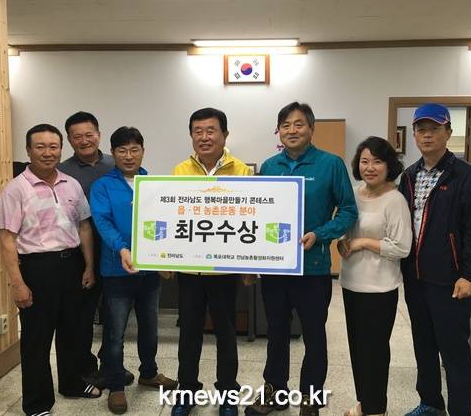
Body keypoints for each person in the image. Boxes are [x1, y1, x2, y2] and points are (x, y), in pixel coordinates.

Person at [246, 102, 358, 416]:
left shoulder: (331, 164)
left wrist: (320, 234)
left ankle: (311, 397)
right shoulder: (269, 167)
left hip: (313, 268)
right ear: (278, 131)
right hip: (275, 268)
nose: (292, 131)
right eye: (285, 125)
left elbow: (348, 210)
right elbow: (259, 214)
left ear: (311, 128)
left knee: (314, 336)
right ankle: (274, 392)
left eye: (298, 124)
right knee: (276, 334)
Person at [0, 124, 101, 416]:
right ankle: (37, 403)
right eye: (40, 146)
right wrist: (18, 283)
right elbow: (7, 240)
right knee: (36, 340)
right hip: (37, 268)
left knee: (72, 332)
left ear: (61, 149)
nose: (47, 152)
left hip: (72, 265)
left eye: (53, 147)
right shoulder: (16, 189)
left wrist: (89, 266)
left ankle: (72, 383)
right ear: (28, 150)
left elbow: (84, 226)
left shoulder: (71, 184)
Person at [398, 103, 471, 416]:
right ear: (414, 134)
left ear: (448, 132)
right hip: (416, 278)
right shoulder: (409, 176)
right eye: (421, 129)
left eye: (434, 129)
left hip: (451, 280)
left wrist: (469, 275)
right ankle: (430, 404)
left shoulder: (467, 176)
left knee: (454, 352)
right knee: (423, 346)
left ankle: (461, 410)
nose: (427, 135)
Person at [165, 107, 253, 416]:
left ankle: (228, 392)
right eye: (198, 131)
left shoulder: (241, 171)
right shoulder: (179, 171)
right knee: (188, 333)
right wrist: (164, 260)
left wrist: (249, 267)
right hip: (190, 271)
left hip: (225, 270)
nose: (204, 137)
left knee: (226, 333)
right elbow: (171, 216)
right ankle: (187, 391)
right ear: (191, 136)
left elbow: (250, 220)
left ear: (224, 135)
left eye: (211, 130)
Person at [90, 126, 177, 414]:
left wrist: (166, 259)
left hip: (149, 271)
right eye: (122, 150)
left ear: (143, 151)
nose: (129, 156)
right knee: (115, 333)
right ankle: (116, 385)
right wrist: (122, 249)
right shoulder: (103, 186)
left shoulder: (153, 184)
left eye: (134, 149)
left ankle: (149, 372)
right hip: (117, 271)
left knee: (150, 327)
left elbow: (166, 223)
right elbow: (103, 222)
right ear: (112, 153)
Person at [58, 111, 133, 388]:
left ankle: (111, 365)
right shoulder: (63, 171)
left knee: (115, 315)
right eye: (77, 136)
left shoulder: (118, 162)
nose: (84, 140)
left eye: (89, 134)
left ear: (99, 135)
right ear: (69, 140)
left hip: (117, 251)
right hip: (81, 253)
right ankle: (84, 367)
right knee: (83, 314)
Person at [338, 137, 412, 416]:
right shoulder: (354, 194)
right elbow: (347, 229)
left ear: (389, 165)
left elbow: (402, 247)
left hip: (380, 289)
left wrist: (363, 243)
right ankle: (365, 403)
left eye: (377, 162)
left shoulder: (395, 200)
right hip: (351, 282)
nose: (370, 167)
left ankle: (376, 409)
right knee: (358, 350)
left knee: (375, 352)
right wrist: (343, 242)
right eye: (364, 161)